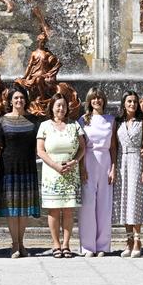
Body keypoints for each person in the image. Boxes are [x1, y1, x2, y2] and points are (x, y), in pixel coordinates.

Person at [0, 85, 40, 258]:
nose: (19, 101)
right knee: (12, 209)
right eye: (16, 98)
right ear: (10, 101)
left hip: (27, 168)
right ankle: (14, 244)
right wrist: (8, 159)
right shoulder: (1, 121)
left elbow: (37, 145)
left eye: (22, 98)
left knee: (24, 208)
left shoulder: (34, 121)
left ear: (26, 100)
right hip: (9, 169)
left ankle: (22, 243)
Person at [37, 94, 86, 258]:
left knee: (68, 210)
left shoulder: (75, 125)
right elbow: (40, 151)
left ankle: (66, 244)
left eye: (64, 106)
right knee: (54, 210)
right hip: (52, 172)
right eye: (58, 105)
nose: (61, 109)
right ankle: (56, 244)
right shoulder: (44, 125)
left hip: (71, 171)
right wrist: (55, 166)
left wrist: (75, 162)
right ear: (52, 107)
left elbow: (82, 148)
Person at [78, 87, 116, 257]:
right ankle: (87, 246)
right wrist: (81, 167)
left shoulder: (111, 120)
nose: (97, 101)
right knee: (87, 205)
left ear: (103, 101)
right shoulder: (83, 120)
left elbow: (114, 146)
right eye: (93, 98)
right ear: (89, 101)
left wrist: (113, 167)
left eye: (99, 98)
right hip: (88, 159)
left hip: (106, 161)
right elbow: (80, 147)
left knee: (104, 205)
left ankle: (103, 246)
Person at [112, 91, 143, 258]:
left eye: (135, 101)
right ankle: (128, 241)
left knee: (134, 200)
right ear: (124, 103)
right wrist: (113, 167)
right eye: (129, 101)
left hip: (136, 160)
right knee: (123, 201)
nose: (132, 104)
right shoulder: (118, 121)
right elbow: (113, 147)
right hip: (121, 162)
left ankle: (137, 240)